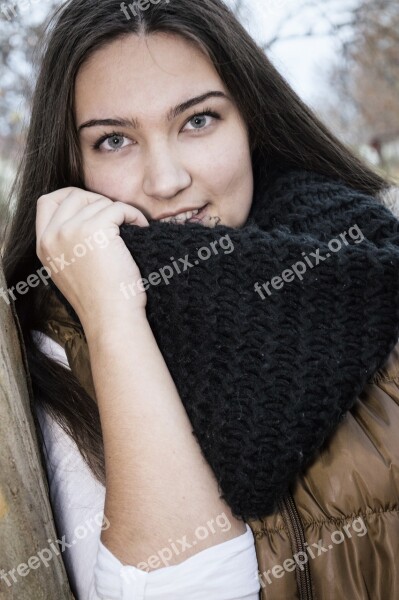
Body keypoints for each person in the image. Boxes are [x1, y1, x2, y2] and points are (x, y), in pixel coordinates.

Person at [2, 0, 399, 599]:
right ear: (72, 166)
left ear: (251, 123)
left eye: (197, 121)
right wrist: (113, 317)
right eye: (113, 139)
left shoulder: (368, 254)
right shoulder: (51, 359)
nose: (166, 180)